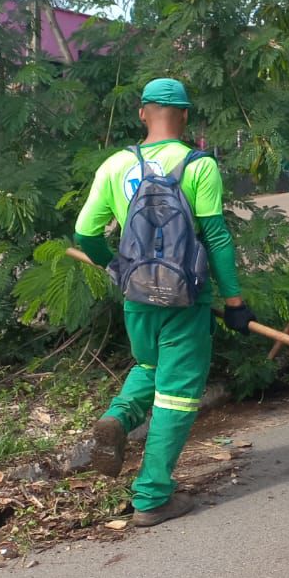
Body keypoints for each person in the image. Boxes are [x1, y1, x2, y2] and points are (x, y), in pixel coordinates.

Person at [74, 78, 252, 527]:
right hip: (185, 299)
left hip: (137, 295)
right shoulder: (197, 164)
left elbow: (84, 235)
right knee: (177, 393)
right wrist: (234, 300)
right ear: (186, 116)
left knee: (149, 367)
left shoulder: (115, 165)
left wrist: (116, 267)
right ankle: (152, 495)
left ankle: (117, 418)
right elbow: (214, 236)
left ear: (142, 113)